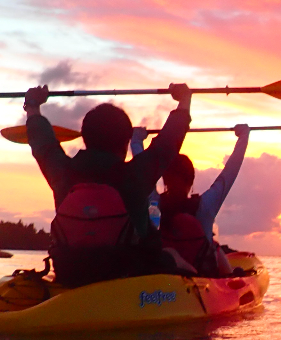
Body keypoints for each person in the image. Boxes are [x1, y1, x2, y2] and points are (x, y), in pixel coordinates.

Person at [23, 82, 192, 287]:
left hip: (70, 274)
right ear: (125, 144)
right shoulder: (135, 176)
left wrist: (32, 106)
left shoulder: (62, 173)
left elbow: (43, 143)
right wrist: (185, 99)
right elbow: (168, 143)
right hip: (131, 275)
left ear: (85, 139)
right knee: (173, 255)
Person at [157, 124, 249, 277]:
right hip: (202, 277)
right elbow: (230, 172)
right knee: (215, 249)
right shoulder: (205, 206)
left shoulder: (154, 204)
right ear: (191, 181)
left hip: (165, 273)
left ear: (164, 179)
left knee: (215, 248)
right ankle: (230, 275)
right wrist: (244, 135)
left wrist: (136, 140)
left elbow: (142, 173)